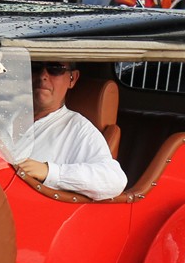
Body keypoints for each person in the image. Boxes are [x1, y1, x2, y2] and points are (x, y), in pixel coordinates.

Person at [12, 60, 127, 201]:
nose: (43, 75)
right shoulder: (4, 116)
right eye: (35, 67)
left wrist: (50, 172)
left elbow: (114, 179)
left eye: (55, 68)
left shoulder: (78, 128)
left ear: (72, 79)